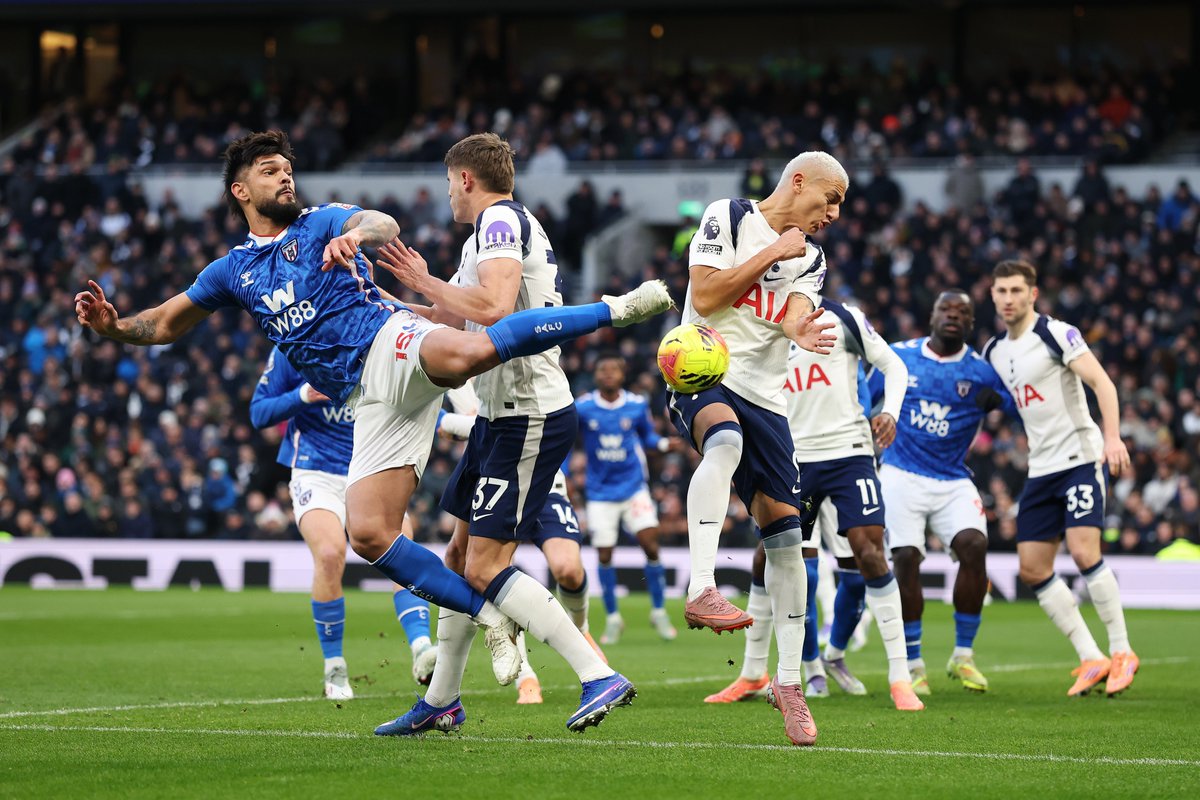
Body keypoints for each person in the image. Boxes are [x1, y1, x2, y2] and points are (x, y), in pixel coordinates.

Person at [73, 129, 672, 726]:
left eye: (288, 166)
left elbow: (383, 222)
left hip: (387, 342)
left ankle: (616, 309)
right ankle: (462, 666)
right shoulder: (231, 272)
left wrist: (356, 234)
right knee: (369, 534)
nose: (285, 175)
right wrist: (114, 326)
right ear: (241, 189)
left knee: (468, 354)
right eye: (268, 170)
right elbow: (164, 323)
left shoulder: (320, 221)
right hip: (368, 398)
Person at [370, 133, 643, 734]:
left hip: (528, 412)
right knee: (459, 556)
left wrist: (422, 280)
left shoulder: (499, 220)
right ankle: (442, 701)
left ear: (466, 178)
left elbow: (493, 308)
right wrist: (381, 304)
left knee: (485, 568)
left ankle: (596, 674)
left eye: (448, 182)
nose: (447, 193)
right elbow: (449, 318)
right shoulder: (488, 234)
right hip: (499, 416)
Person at [668, 151, 846, 747]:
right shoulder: (729, 216)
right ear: (799, 183)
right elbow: (708, 294)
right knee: (722, 438)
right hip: (701, 368)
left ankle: (788, 684)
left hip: (768, 396)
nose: (834, 214)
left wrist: (797, 326)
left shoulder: (814, 258)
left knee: (788, 539)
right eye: (830, 199)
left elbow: (795, 311)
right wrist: (773, 250)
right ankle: (700, 588)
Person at [703, 298, 916, 711]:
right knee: (772, 558)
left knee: (869, 552)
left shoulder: (843, 315)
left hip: (849, 452)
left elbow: (894, 365)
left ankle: (900, 677)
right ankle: (752, 673)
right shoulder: (755, 321)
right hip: (791, 455)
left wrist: (890, 412)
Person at [984, 260, 1137, 697]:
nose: (1008, 298)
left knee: (1083, 550)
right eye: (1001, 291)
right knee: (1032, 568)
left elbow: (1102, 383)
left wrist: (1111, 438)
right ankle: (1092, 657)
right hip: (1042, 468)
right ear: (992, 296)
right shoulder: (994, 351)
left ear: (1033, 294)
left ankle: (1123, 650)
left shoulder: (1057, 333)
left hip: (1080, 458)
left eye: (1016, 290)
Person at [250, 345, 437, 698]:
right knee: (331, 553)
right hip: (315, 470)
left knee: (402, 550)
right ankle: (334, 667)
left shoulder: (377, 340)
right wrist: (303, 394)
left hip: (369, 469)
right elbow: (259, 413)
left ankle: (421, 649)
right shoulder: (292, 347)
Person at [875, 291, 1016, 697]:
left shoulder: (982, 372)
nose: (953, 316)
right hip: (901, 473)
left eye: (962, 313)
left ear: (971, 324)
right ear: (932, 315)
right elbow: (865, 394)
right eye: (946, 310)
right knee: (906, 558)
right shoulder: (899, 356)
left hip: (953, 477)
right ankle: (914, 664)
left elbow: (1016, 407)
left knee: (974, 546)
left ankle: (963, 655)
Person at [577, 352, 678, 645]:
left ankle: (659, 611)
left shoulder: (636, 405)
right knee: (605, 554)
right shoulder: (582, 408)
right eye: (602, 369)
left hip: (634, 488)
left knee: (650, 544)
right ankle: (613, 618)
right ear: (596, 375)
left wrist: (661, 443)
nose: (608, 373)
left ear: (622, 375)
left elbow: (647, 437)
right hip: (599, 493)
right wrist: (567, 472)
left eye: (613, 369)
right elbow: (569, 441)